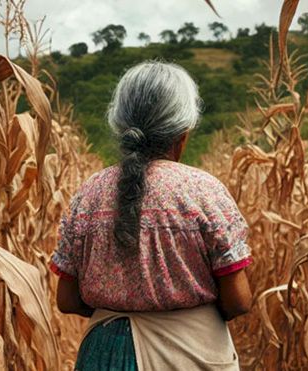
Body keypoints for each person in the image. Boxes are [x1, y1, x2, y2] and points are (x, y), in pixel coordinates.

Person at [50, 61, 253, 371]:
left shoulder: (89, 194)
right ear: (182, 134)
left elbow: (66, 300)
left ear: (121, 127)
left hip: (103, 356)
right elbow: (238, 301)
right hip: (191, 354)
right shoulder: (203, 191)